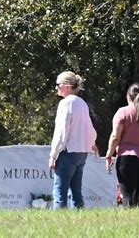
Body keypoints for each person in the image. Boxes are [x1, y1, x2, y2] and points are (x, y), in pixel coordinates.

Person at [105, 83, 139, 208]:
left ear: (127, 96)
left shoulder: (122, 112)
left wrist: (109, 154)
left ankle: (128, 221)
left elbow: (115, 137)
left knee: (127, 195)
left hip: (127, 158)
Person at [48, 71, 98, 209]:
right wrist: (92, 143)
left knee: (59, 191)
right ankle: (79, 218)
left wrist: (53, 154)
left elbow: (61, 131)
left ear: (67, 86)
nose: (56, 87)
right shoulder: (82, 103)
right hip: (82, 152)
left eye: (58, 84)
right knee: (76, 192)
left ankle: (58, 221)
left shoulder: (66, 103)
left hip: (68, 152)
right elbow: (89, 128)